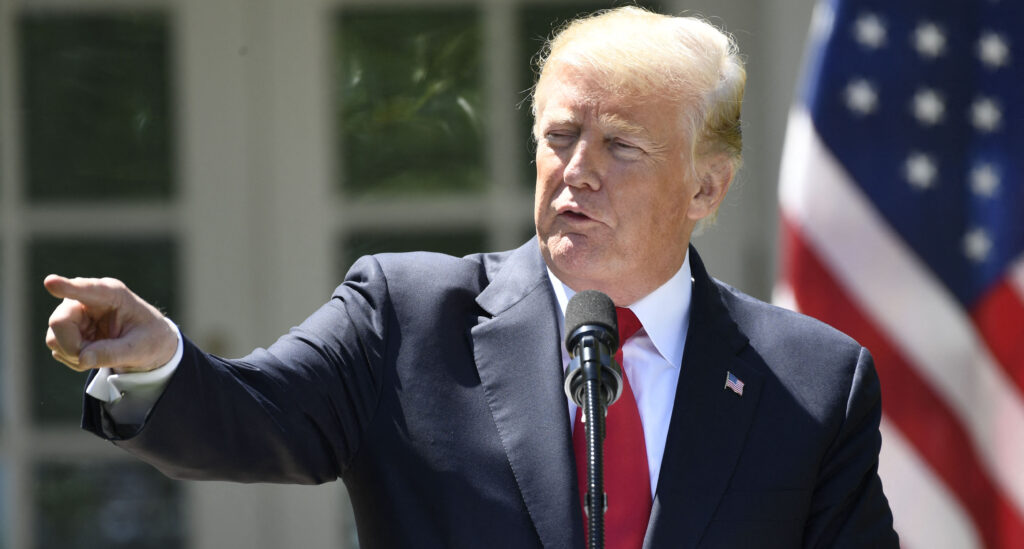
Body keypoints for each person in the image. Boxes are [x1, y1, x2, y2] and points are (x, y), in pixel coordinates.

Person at [44, 7, 899, 548]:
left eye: (621, 148)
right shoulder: (408, 317)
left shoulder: (814, 379)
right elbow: (257, 416)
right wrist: (155, 363)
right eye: (560, 137)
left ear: (706, 187)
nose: (577, 172)